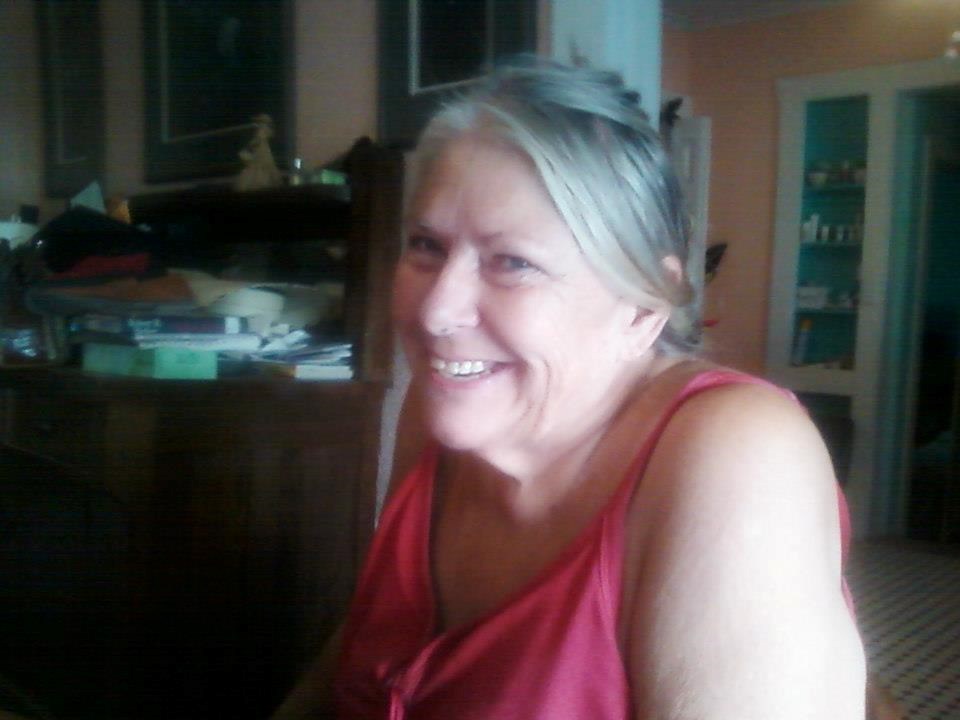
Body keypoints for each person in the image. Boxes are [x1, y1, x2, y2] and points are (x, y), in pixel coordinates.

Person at [272, 59, 865, 719]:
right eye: (427, 246)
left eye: (513, 262)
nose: (438, 312)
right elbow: (359, 649)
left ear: (641, 311)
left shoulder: (737, 452)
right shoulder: (449, 407)